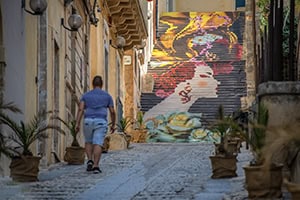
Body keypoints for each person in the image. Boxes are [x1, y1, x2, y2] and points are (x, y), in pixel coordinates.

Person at [75, 75, 116, 174]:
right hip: (100, 121)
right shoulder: (107, 96)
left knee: (88, 141)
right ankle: (96, 165)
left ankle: (89, 160)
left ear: (92, 84)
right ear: (102, 84)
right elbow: (112, 111)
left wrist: (77, 123)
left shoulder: (86, 95)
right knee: (98, 143)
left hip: (88, 120)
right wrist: (113, 124)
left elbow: (81, 109)